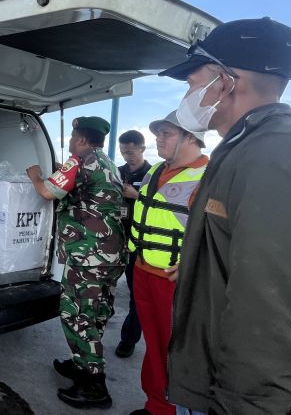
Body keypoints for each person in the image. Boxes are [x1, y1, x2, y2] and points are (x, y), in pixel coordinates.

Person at [160, 18, 291, 415]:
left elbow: (277, 314)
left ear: (224, 83)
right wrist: (200, 267)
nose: (187, 96)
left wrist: (245, 407)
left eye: (192, 83)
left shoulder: (278, 159)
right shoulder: (252, 147)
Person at [26, 116, 125, 409]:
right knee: (96, 313)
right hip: (110, 255)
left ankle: (95, 386)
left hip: (87, 256)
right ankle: (81, 364)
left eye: (72, 138)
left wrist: (35, 175)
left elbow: (47, 192)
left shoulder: (78, 161)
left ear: (81, 140)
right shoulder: (108, 163)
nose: (69, 143)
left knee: (78, 315)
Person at [127, 112, 207, 415]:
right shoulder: (157, 170)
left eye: (167, 133)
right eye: (158, 133)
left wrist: (194, 263)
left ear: (191, 137)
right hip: (143, 270)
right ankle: (156, 405)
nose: (158, 139)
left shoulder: (208, 177)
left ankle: (173, 409)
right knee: (153, 344)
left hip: (174, 281)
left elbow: (225, 234)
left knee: (175, 350)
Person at [115, 129, 151, 359]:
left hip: (138, 243)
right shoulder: (118, 173)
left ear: (142, 149)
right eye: (123, 151)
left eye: (130, 151)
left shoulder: (153, 175)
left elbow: (164, 204)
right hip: (115, 239)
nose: (127, 156)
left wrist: (137, 195)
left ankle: (129, 339)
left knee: (136, 295)